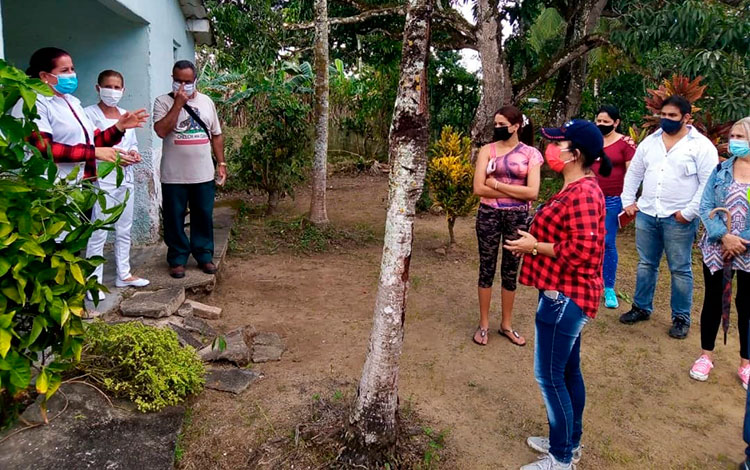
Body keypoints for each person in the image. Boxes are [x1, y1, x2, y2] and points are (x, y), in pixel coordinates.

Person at [506, 119, 611, 470]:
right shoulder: (577, 186)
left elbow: (583, 251)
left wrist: (536, 246)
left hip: (565, 298)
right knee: (567, 372)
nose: (550, 149)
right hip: (563, 294)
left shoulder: (582, 192)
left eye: (557, 144)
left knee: (549, 376)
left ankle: (561, 458)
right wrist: (534, 243)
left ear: (575, 154)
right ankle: (566, 441)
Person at [620, 95, 718, 339]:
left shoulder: (701, 146)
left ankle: (681, 317)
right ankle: (641, 307)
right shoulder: (650, 142)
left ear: (686, 117)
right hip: (647, 213)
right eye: (663, 115)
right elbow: (634, 173)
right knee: (646, 264)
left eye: (672, 116)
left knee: (680, 268)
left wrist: (688, 213)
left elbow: (708, 184)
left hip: (679, 219)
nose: (666, 120)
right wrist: (628, 201)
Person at [20, 47, 147, 184]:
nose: (71, 74)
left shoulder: (72, 102)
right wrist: (93, 152)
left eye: (72, 69)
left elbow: (95, 140)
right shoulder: (34, 102)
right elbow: (43, 149)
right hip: (52, 186)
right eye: (64, 71)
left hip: (82, 184)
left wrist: (119, 127)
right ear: (44, 76)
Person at [472, 105, 543, 346]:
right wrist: (516, 191)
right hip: (488, 214)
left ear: (516, 126)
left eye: (502, 124)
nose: (498, 128)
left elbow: (533, 192)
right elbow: (478, 188)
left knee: (511, 271)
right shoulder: (487, 150)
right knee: (486, 268)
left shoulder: (531, 154)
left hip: (517, 218)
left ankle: (506, 325)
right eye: (496, 124)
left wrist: (497, 186)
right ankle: (483, 324)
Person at [690, 117, 750, 387]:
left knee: (747, 306)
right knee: (713, 301)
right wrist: (723, 236)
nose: (733, 141)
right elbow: (705, 207)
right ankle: (705, 356)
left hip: (747, 251)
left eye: (741, 137)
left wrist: (740, 241)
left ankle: (746, 363)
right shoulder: (720, 170)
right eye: (733, 136)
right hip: (717, 247)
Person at [153, 60, 227, 279]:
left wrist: (221, 163)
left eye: (187, 81)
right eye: (178, 81)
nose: (183, 85)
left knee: (203, 215)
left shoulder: (206, 102)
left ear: (195, 81)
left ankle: (204, 255)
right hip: (173, 174)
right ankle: (177, 258)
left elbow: (216, 134)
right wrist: (178, 104)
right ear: (172, 79)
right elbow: (160, 130)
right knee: (174, 217)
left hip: (202, 173)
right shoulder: (162, 102)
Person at [84, 70, 150, 297]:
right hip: (102, 180)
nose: (112, 92)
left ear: (123, 90)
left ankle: (124, 273)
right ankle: (94, 281)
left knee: (124, 228)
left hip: (125, 177)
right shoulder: (88, 115)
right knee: (99, 229)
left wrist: (134, 154)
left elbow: (132, 143)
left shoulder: (126, 115)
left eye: (117, 87)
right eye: (108, 86)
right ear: (97, 88)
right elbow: (89, 147)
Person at [592, 105, 636, 309]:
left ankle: (608, 287)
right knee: (587, 240)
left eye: (605, 122)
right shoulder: (591, 140)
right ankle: (589, 282)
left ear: (616, 122)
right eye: (598, 121)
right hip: (589, 199)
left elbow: (633, 173)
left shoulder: (626, 143)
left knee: (608, 242)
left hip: (612, 199)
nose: (601, 125)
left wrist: (630, 200)